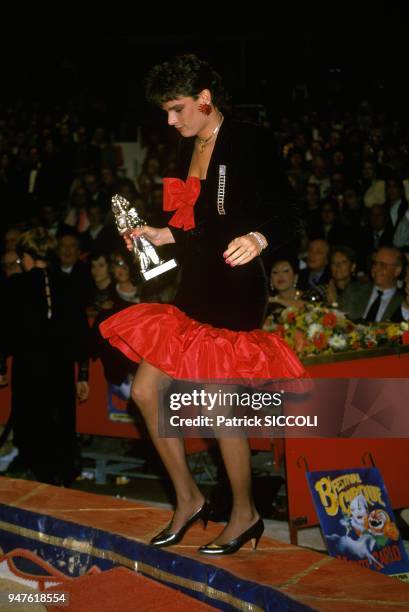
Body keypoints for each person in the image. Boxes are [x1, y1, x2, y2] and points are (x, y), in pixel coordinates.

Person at [101, 54, 305, 555]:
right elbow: (195, 227)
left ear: (205, 100)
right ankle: (189, 498)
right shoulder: (185, 149)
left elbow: (291, 212)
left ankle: (245, 512)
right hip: (195, 285)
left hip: (237, 283)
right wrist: (159, 232)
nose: (170, 121)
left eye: (176, 110)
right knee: (146, 392)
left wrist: (259, 236)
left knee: (217, 404)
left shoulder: (249, 139)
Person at [0, 228, 90, 485]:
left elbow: (4, 329)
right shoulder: (66, 283)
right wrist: (83, 374)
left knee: (32, 424)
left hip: (29, 367)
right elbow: (80, 332)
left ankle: (39, 477)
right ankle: (60, 477)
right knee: (59, 424)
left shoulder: (15, 285)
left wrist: (1, 367)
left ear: (26, 256)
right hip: (60, 368)